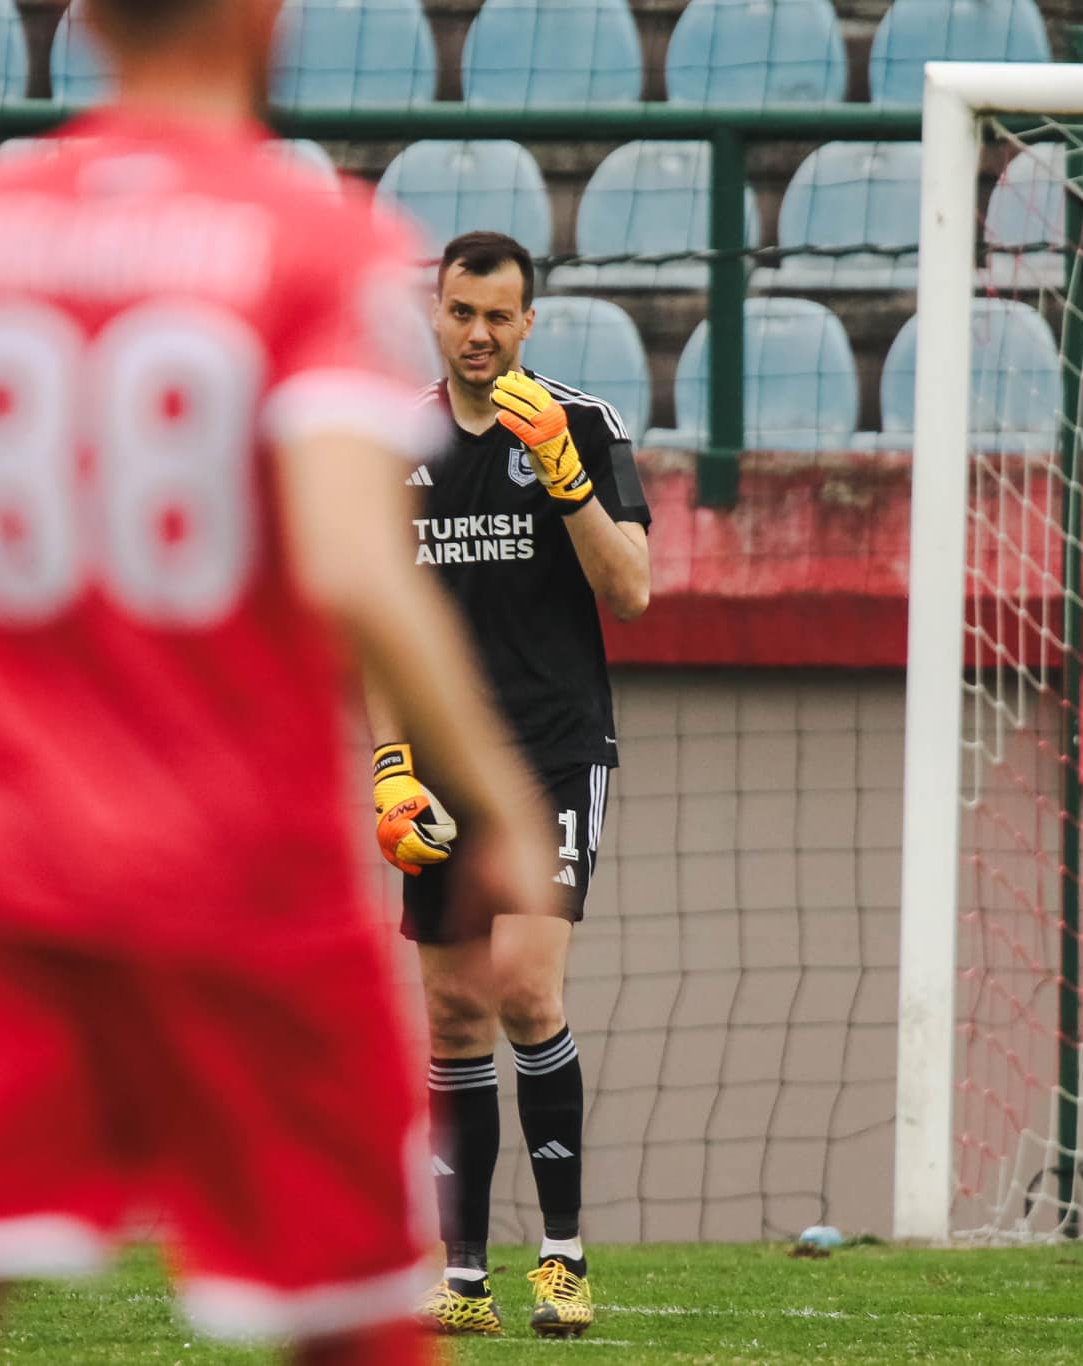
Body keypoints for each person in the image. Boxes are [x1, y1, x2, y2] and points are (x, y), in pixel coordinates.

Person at [0, 2, 553, 1364]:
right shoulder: (317, 243)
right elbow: (350, 566)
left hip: (15, 877)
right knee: (363, 1324)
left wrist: (66, 547)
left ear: (86, 23)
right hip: (249, 886)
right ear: (264, 16)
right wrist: (499, 802)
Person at [372, 232, 652, 1338]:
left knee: (527, 990)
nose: (477, 334)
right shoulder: (395, 439)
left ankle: (564, 1261)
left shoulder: (581, 424)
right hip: (438, 759)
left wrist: (570, 484)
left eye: (498, 315)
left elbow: (630, 590)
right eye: (459, 312)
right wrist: (390, 768)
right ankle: (464, 1279)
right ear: (432, 314)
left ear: (528, 322)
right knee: (449, 1014)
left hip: (550, 748)